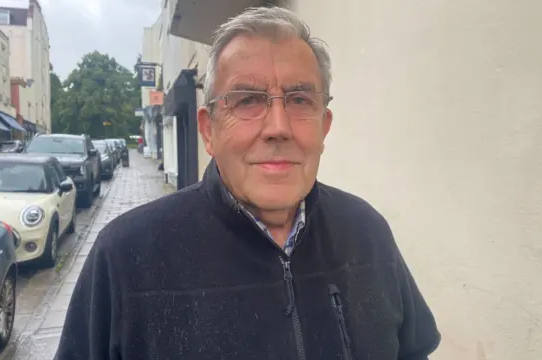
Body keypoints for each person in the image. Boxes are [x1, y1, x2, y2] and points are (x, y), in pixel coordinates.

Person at [56, 6, 440, 360]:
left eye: (300, 100)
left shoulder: (367, 232)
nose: (278, 127)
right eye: (248, 100)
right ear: (209, 130)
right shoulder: (124, 258)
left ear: (324, 127)